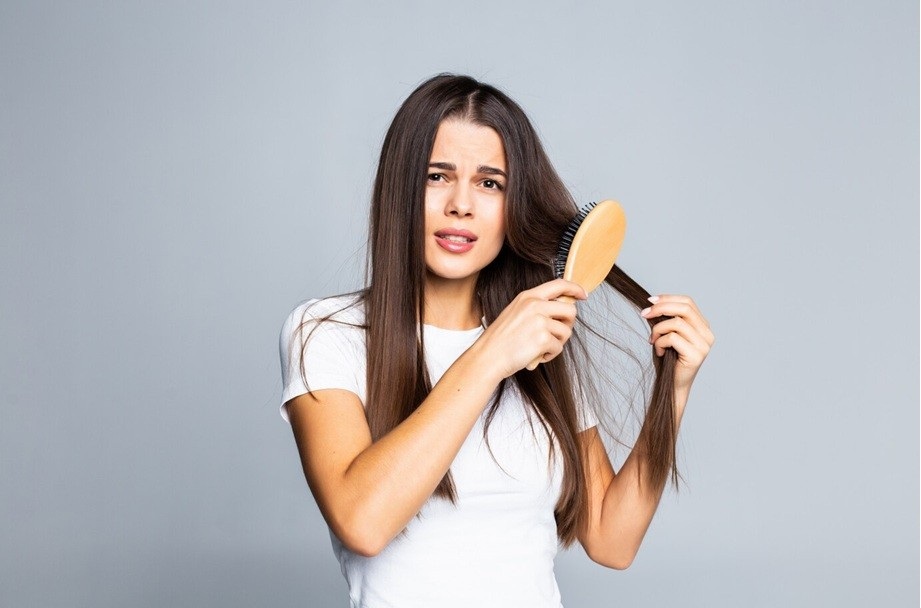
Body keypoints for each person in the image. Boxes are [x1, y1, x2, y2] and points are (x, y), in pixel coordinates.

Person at [279, 73, 714, 608]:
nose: (461, 204)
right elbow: (362, 522)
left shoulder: (541, 342)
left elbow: (611, 539)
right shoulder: (327, 333)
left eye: (490, 183)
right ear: (400, 188)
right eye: (437, 176)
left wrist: (673, 391)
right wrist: (489, 356)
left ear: (515, 206)